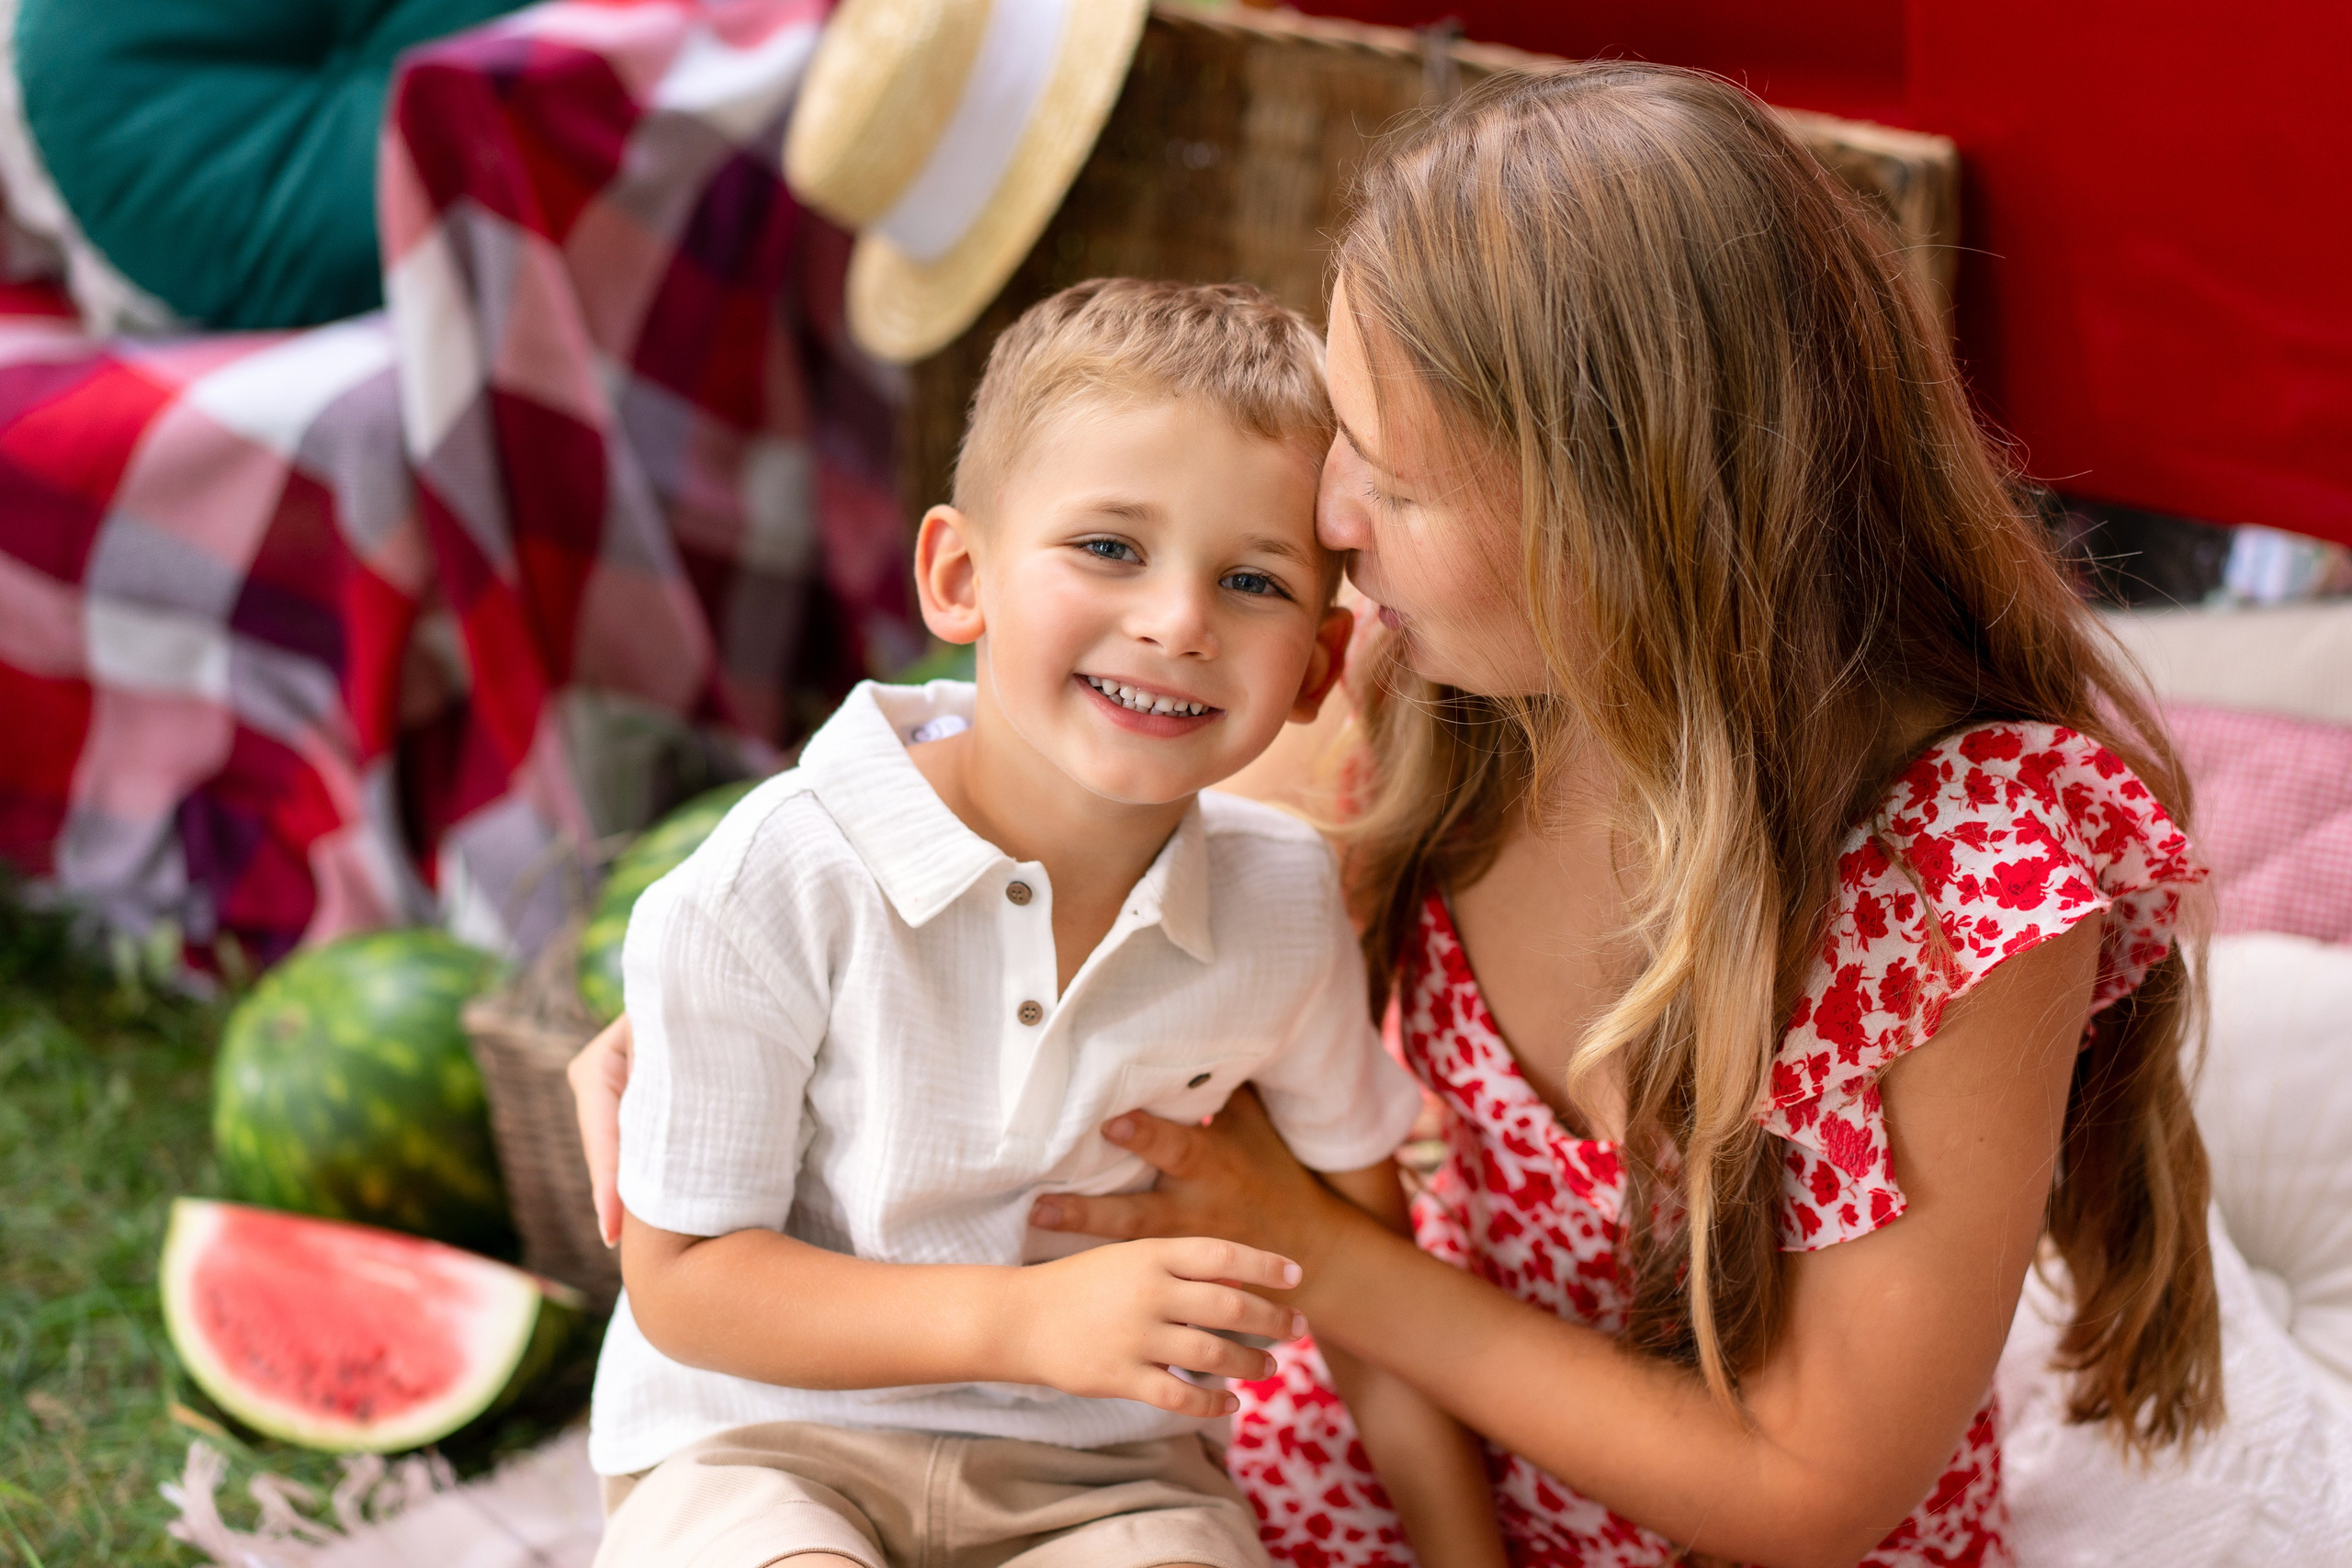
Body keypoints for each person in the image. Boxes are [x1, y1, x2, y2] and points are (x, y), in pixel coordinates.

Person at [576, 66, 2222, 1568]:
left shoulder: (1974, 875)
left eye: (1392, 477)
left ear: (1621, 518)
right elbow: (1063, 813)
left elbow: (1809, 1490)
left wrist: (1315, 1249)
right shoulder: (1436, 701)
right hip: (1393, 1455)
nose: (1331, 518)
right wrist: (698, 1031)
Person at [585, 278, 1506, 1568]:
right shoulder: (774, 878)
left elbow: (1364, 1282)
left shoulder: (1286, 903)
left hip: (1107, 1475)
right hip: (759, 1446)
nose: (1178, 621)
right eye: (1110, 548)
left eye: (1252, 579)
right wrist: (1023, 1322)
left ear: (1314, 669)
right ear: (961, 577)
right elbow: (683, 1286)